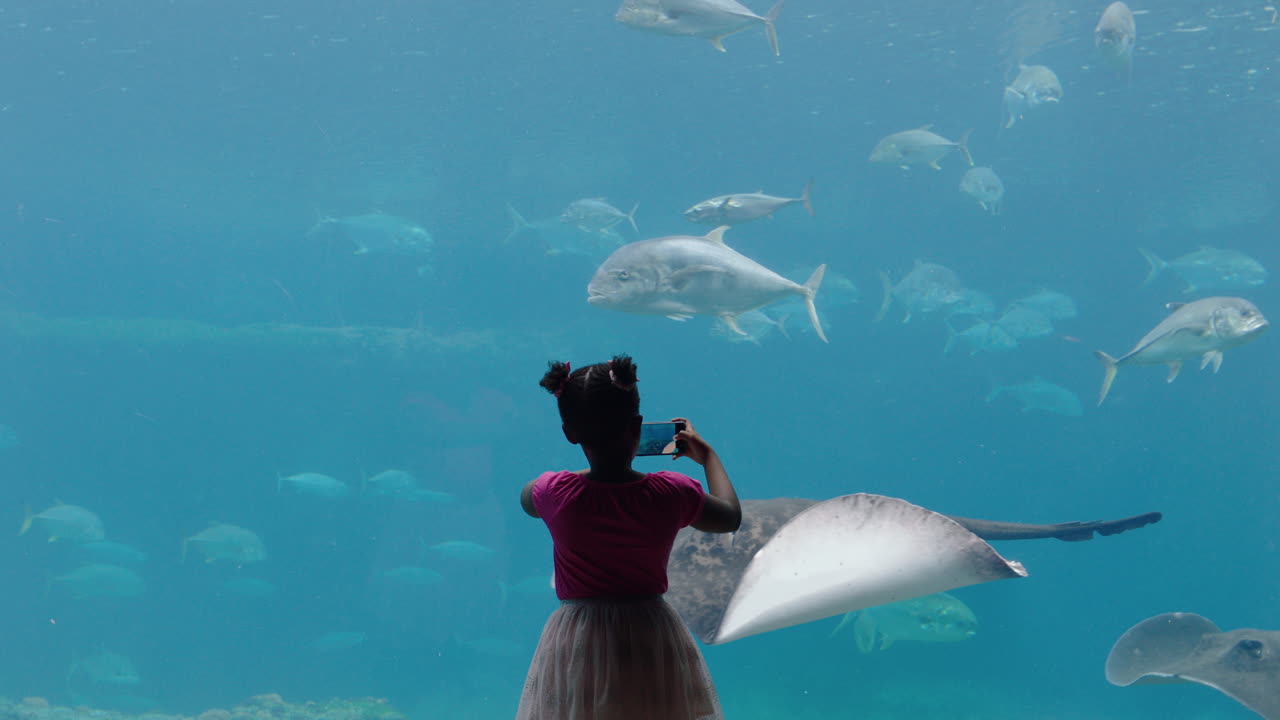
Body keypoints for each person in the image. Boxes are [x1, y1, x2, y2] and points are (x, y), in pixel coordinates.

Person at [516, 354, 742, 720]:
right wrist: (708, 457)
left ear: (569, 433)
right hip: (650, 633)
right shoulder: (672, 492)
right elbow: (730, 517)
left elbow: (527, 499)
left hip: (579, 638)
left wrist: (590, 469)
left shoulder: (554, 492)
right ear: (638, 426)